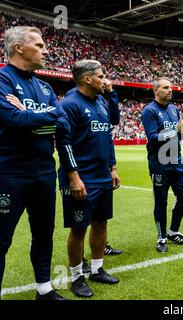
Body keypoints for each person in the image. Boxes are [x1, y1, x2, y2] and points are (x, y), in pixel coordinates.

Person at [0, 26, 78, 300]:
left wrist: (31, 115)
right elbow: (14, 121)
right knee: (1, 240)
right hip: (9, 174)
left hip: (44, 173)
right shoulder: (2, 79)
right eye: (40, 45)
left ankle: (44, 290)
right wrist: (46, 116)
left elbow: (64, 126)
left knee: (44, 233)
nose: (46, 50)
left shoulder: (44, 86)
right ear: (19, 47)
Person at [58, 60, 120, 298]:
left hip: (102, 176)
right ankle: (75, 277)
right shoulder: (70, 104)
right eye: (101, 76)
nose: (105, 80)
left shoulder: (102, 103)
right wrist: (74, 177)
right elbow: (64, 143)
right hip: (81, 178)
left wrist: (112, 167)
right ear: (87, 79)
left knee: (101, 223)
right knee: (78, 228)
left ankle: (96, 269)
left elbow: (108, 136)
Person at [141, 77, 183, 252]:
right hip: (159, 164)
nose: (170, 90)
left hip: (177, 161)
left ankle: (173, 231)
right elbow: (153, 138)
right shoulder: (149, 111)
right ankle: (161, 237)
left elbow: (182, 136)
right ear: (156, 90)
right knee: (161, 202)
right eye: (165, 87)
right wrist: (174, 130)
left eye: (171, 87)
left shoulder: (174, 109)